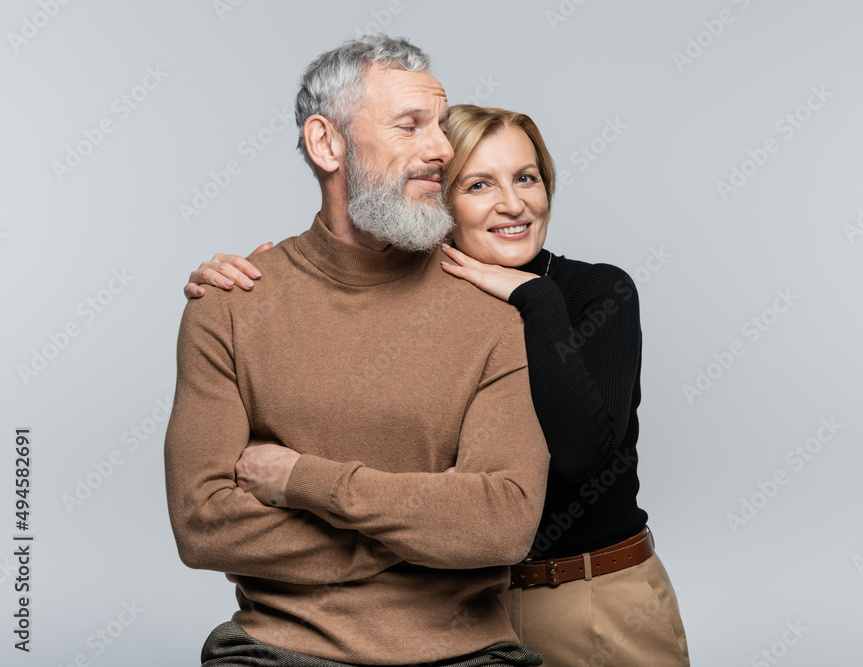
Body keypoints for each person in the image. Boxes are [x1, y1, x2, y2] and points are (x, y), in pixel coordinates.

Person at [185, 102, 690, 665]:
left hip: (591, 596)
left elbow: (583, 457)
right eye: (478, 184)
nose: (513, 203)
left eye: (527, 178)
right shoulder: (428, 308)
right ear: (435, 198)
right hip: (465, 612)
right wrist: (274, 281)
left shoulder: (596, 292)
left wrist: (536, 298)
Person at [164, 35, 550, 667]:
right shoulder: (229, 304)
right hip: (279, 651)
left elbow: (503, 522)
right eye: (411, 126)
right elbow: (203, 522)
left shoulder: (493, 313)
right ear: (327, 143)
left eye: (442, 126)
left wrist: (300, 482)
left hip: (469, 654)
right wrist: (415, 529)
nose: (443, 150)